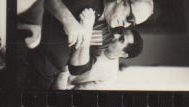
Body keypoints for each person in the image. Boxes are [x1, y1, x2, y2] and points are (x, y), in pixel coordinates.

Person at [18, 0, 153, 89]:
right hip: (25, 51)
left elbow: (77, 69)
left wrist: (87, 32)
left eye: (132, 24)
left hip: (42, 79)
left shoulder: (106, 37)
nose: (126, 24)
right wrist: (69, 21)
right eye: (130, 18)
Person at [52, 9, 143, 89]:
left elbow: (76, 93)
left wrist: (63, 73)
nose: (115, 35)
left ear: (123, 54)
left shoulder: (110, 76)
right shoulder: (102, 32)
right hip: (55, 51)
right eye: (120, 33)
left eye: (121, 39)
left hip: (55, 81)